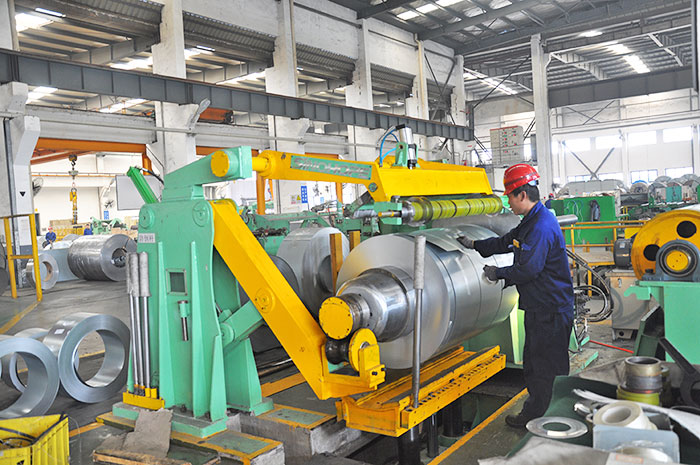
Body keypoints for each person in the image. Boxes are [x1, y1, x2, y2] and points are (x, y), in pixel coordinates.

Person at [457, 163, 574, 428]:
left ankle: (541, 418)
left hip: (549, 310)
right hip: (542, 307)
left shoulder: (540, 226)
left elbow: (529, 269)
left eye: (509, 196)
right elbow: (505, 241)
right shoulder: (531, 220)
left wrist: (497, 273)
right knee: (540, 364)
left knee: (543, 368)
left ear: (522, 194)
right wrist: (474, 245)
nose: (507, 202)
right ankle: (550, 414)